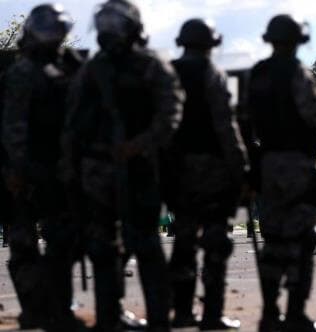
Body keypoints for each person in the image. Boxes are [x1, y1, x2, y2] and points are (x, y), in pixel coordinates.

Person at [62, 0, 184, 331]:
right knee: (103, 249)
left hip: (140, 167)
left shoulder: (150, 66)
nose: (108, 32)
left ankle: (159, 318)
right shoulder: (93, 69)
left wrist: (138, 145)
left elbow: (170, 114)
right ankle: (109, 317)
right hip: (99, 171)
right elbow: (72, 124)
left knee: (145, 244)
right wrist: (73, 168)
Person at [1, 4, 88, 331]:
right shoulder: (23, 72)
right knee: (24, 243)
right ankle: (36, 309)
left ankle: (57, 308)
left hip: (57, 168)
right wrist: (18, 170)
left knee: (63, 241)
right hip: (24, 170)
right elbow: (14, 128)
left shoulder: (65, 68)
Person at [248, 14, 316, 332]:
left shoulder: (258, 73)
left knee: (274, 238)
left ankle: (269, 313)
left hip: (267, 164)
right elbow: (315, 113)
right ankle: (295, 313)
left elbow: (246, 117)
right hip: (296, 163)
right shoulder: (297, 72)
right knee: (302, 237)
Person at [166, 18, 248, 331]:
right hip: (212, 169)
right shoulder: (210, 73)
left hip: (178, 170)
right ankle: (212, 314)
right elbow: (225, 124)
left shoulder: (168, 72)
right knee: (216, 242)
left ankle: (182, 310)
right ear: (210, 45)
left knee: (184, 241)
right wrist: (240, 165)